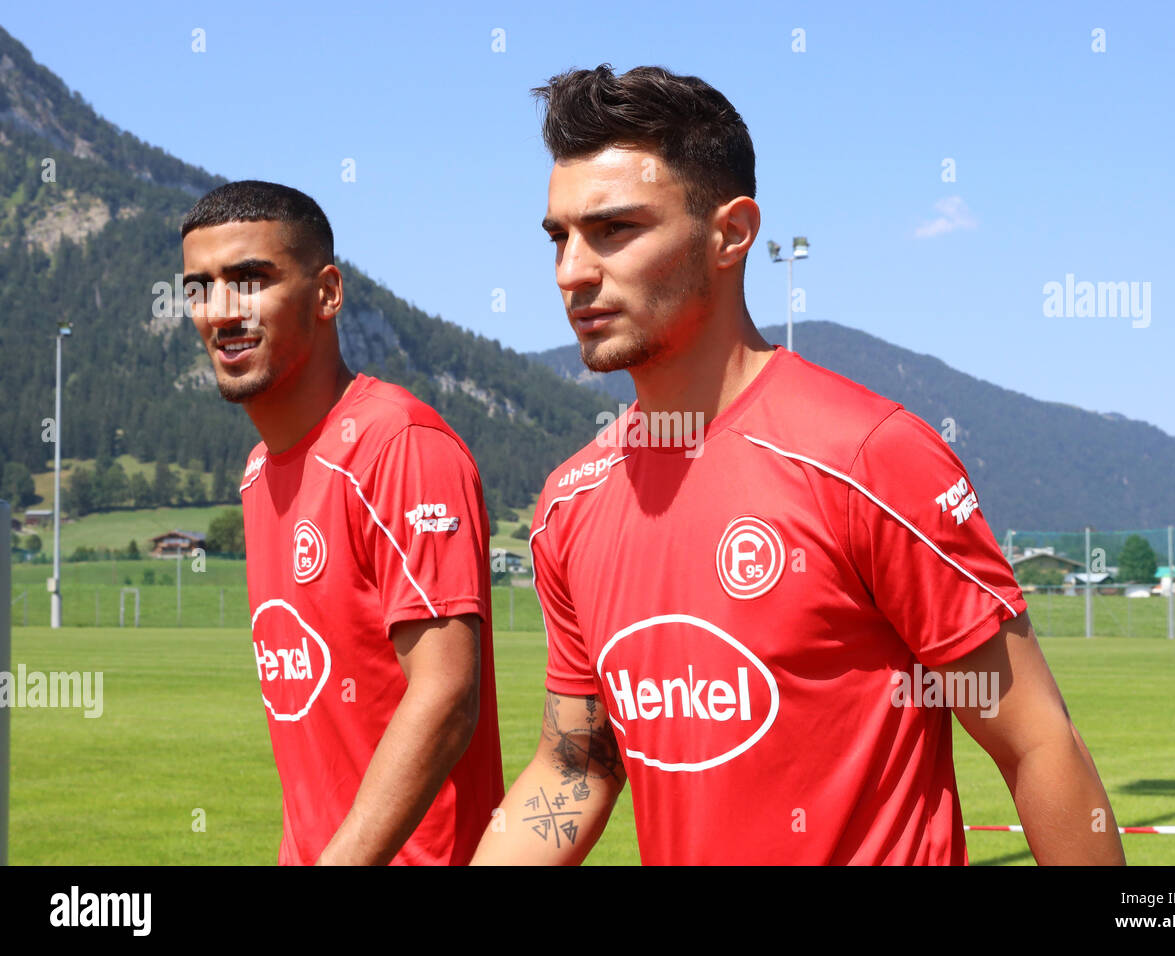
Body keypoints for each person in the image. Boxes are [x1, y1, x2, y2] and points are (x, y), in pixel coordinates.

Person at [473, 66, 1124, 865]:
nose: (572, 270)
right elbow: (574, 766)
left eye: (614, 230)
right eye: (559, 237)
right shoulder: (570, 503)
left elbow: (1036, 743)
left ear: (731, 234)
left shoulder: (867, 456)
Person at [181, 180, 502, 865]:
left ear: (327, 293)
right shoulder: (256, 474)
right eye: (200, 288)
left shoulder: (400, 445)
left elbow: (446, 695)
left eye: (250, 279)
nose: (221, 310)